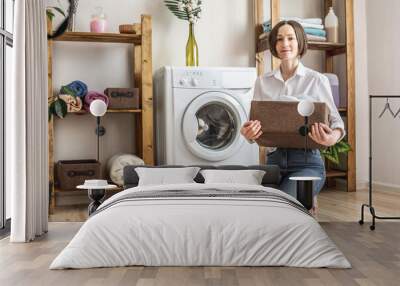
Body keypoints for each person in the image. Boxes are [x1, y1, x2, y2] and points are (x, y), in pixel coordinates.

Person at [240, 20, 345, 214]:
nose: (284, 44)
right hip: (273, 164)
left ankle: (304, 195)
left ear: (300, 43)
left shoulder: (316, 80)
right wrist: (248, 133)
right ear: (274, 45)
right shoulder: (263, 82)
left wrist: (331, 138)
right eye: (279, 39)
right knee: (255, 208)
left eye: (290, 38)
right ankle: (304, 199)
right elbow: (254, 130)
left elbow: (337, 123)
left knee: (279, 208)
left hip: (307, 162)